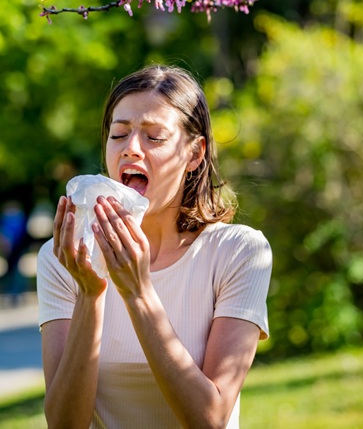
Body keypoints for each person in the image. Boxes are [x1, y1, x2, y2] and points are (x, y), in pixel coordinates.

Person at [37, 64, 272, 429]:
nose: (131, 149)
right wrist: (90, 293)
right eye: (119, 134)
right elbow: (64, 424)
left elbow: (210, 420)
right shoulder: (64, 259)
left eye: (154, 137)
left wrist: (138, 292)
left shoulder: (239, 253)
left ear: (194, 155)